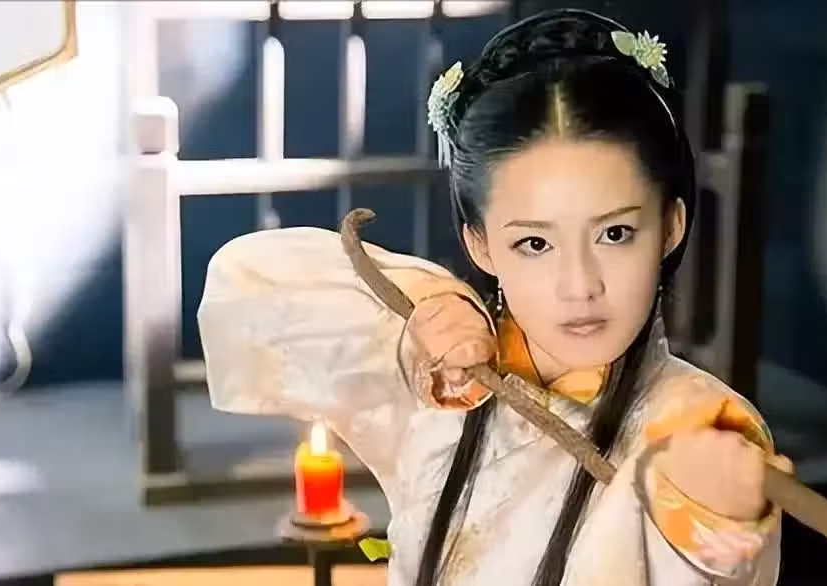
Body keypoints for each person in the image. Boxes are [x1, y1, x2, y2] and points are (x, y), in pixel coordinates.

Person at [197, 9, 790, 586]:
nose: (579, 284)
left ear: (670, 226)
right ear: (479, 245)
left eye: (615, 234)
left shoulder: (704, 426)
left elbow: (717, 561)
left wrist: (721, 519)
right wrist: (428, 308)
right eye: (535, 243)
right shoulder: (445, 383)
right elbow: (244, 285)